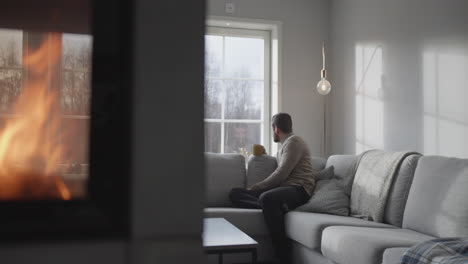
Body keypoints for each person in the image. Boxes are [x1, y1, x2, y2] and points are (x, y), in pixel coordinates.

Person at [229, 113, 317, 264]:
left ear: (276, 128)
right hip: (284, 190)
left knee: (267, 198)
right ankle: (277, 209)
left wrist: (256, 187)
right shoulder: (285, 146)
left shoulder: (294, 142)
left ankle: (283, 255)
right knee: (235, 193)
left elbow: (281, 174)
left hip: (299, 190)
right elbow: (284, 168)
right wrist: (265, 155)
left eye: (272, 129)